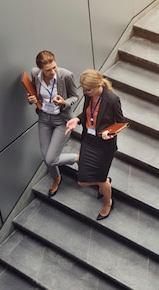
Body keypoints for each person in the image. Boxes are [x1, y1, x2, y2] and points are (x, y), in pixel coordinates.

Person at [65, 69, 125, 220]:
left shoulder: (112, 100)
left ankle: (107, 202)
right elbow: (87, 114)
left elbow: (121, 123)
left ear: (98, 85)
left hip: (104, 146)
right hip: (89, 141)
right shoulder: (89, 95)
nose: (85, 92)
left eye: (88, 89)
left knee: (100, 179)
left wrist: (109, 133)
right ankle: (105, 184)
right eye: (84, 89)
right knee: (82, 180)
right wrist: (77, 120)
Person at [27, 50, 80, 197]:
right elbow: (34, 94)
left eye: (54, 67)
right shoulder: (34, 74)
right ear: (40, 69)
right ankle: (57, 178)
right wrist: (31, 100)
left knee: (51, 159)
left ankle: (76, 158)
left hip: (61, 120)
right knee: (46, 157)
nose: (52, 72)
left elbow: (75, 96)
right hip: (44, 118)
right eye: (48, 70)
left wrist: (64, 102)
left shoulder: (66, 75)